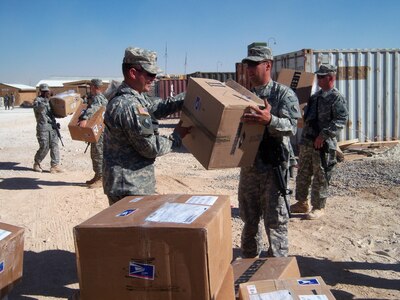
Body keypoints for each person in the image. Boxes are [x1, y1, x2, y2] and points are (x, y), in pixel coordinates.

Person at [103, 46, 190, 206]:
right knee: (131, 230)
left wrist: (187, 97)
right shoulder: (129, 105)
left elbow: (156, 108)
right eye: (150, 74)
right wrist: (176, 136)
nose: (154, 78)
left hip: (129, 185)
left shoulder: (134, 98)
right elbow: (150, 147)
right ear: (133, 73)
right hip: (129, 189)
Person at [239, 46, 301, 257]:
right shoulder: (243, 96)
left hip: (273, 170)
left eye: (254, 64)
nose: (249, 69)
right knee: (249, 221)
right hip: (249, 168)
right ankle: (247, 269)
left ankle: (277, 273)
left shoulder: (283, 94)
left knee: (275, 223)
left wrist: (270, 120)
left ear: (267, 65)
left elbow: (292, 126)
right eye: (248, 65)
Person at [291, 64, 348, 220]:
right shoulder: (315, 97)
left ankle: (319, 207)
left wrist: (323, 136)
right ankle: (302, 202)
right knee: (303, 172)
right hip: (308, 141)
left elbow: (341, 119)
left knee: (321, 174)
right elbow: (307, 117)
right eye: (318, 76)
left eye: (322, 76)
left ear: (331, 77)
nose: (319, 79)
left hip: (323, 143)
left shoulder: (336, 97)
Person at [78, 79, 108, 188]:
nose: (90, 88)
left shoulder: (99, 98)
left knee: (99, 154)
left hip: (100, 132)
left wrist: (84, 118)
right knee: (95, 154)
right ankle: (97, 175)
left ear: (94, 87)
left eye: (91, 86)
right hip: (97, 130)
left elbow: (93, 109)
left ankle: (101, 178)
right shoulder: (96, 98)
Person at [33, 83, 64, 173]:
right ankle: (37, 163)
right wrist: (48, 100)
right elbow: (39, 109)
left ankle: (55, 165)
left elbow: (54, 112)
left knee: (54, 145)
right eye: (45, 91)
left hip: (52, 126)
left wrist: (63, 113)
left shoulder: (49, 101)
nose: (47, 93)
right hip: (43, 128)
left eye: (47, 91)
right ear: (41, 92)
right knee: (44, 146)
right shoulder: (37, 101)